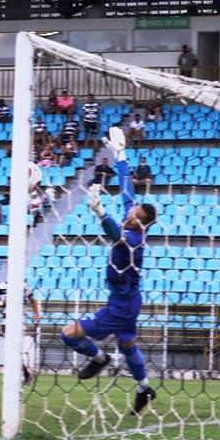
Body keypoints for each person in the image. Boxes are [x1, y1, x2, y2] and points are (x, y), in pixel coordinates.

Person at [60, 131, 159, 415]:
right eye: (132, 212)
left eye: (136, 216)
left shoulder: (135, 240)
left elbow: (115, 235)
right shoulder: (133, 218)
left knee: (67, 334)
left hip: (118, 307)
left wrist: (101, 212)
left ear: (144, 224)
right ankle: (144, 388)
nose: (130, 214)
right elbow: (127, 187)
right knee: (128, 346)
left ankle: (100, 357)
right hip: (130, 301)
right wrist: (121, 154)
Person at [0, 280, 42, 383]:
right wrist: (3, 303)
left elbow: (32, 300)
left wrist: (37, 315)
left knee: (13, 349)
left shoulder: (23, 285)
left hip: (19, 320)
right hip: (5, 321)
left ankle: (17, 376)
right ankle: (26, 374)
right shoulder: (0, 286)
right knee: (11, 350)